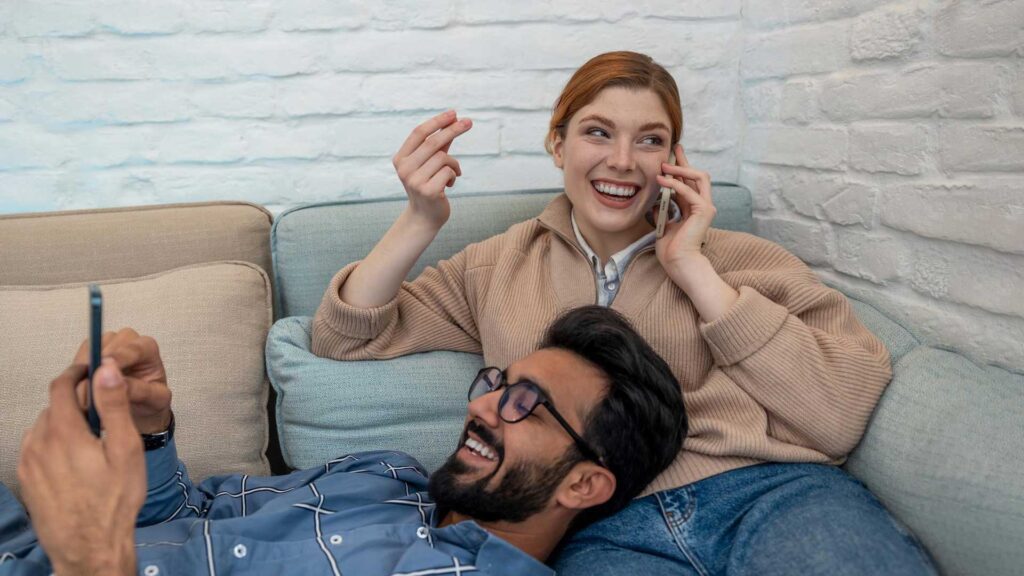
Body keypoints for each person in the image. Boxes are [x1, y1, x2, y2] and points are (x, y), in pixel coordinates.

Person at [311, 51, 937, 574]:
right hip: (601, 528)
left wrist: (694, 269)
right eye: (597, 131)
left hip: (774, 496)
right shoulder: (497, 264)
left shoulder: (743, 260)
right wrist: (421, 219)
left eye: (650, 140)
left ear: (674, 160)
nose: (621, 160)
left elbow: (837, 411)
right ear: (557, 144)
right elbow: (345, 336)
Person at [1, 306, 685, 576]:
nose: (479, 406)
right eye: (498, 383)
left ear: (584, 483)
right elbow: (177, 522)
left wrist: (88, 558)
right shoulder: (382, 472)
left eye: (525, 406)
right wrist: (150, 430)